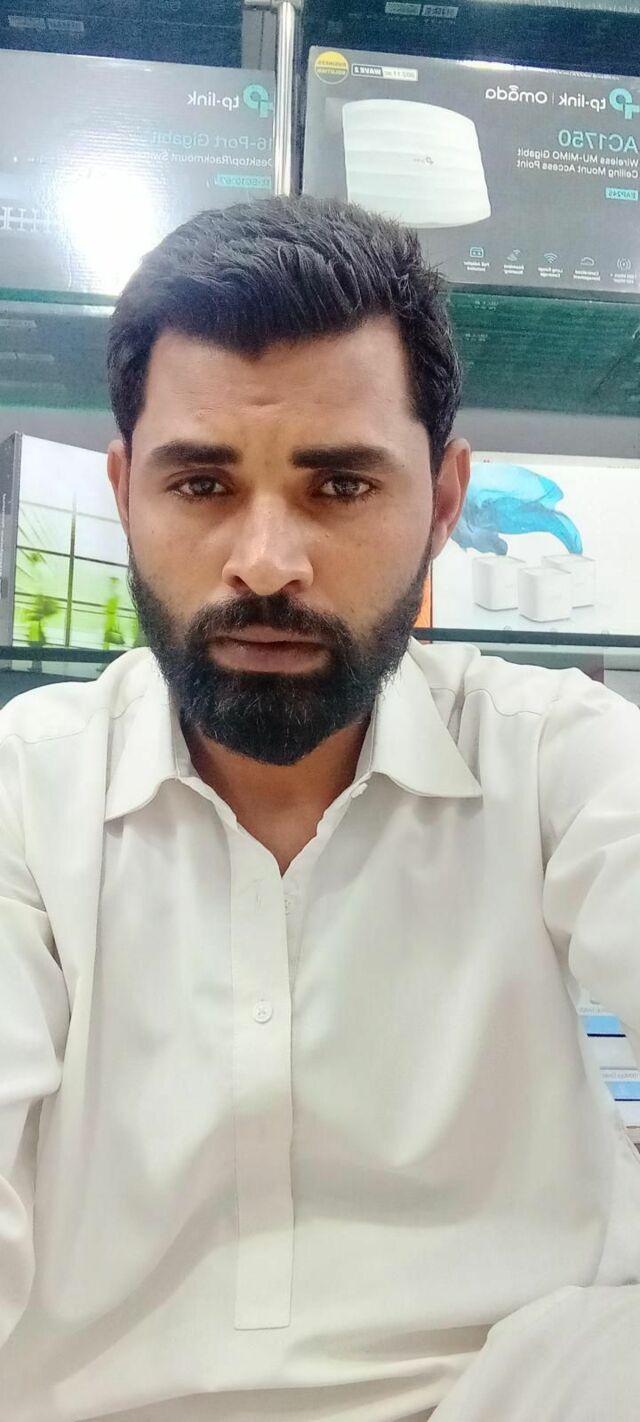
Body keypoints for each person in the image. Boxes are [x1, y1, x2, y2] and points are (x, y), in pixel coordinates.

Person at [0, 195, 639, 1422]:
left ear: (443, 503)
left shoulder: (554, 755)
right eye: (201, 483)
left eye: (339, 485)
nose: (265, 562)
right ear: (125, 492)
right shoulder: (26, 791)